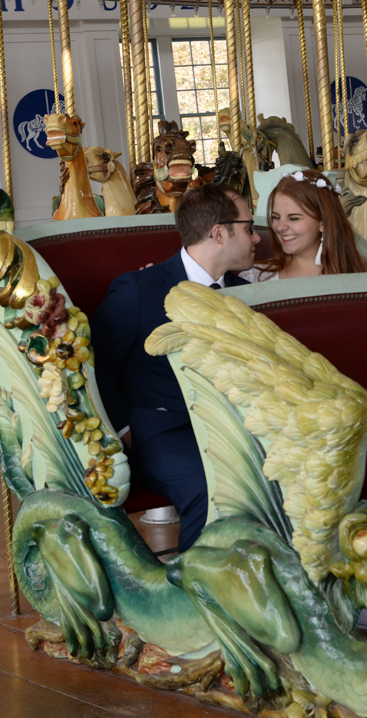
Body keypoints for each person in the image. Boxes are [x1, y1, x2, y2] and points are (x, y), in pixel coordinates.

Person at [90, 184, 257, 551]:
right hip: (162, 428)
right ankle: (199, 594)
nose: (256, 237)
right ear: (219, 233)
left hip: (232, 424)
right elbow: (96, 360)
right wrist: (123, 428)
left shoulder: (245, 293)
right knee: (210, 486)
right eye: (248, 226)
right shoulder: (138, 288)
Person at [243, 169, 367, 282]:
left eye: (293, 218)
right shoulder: (255, 278)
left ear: (323, 222)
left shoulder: (364, 274)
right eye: (275, 217)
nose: (280, 227)